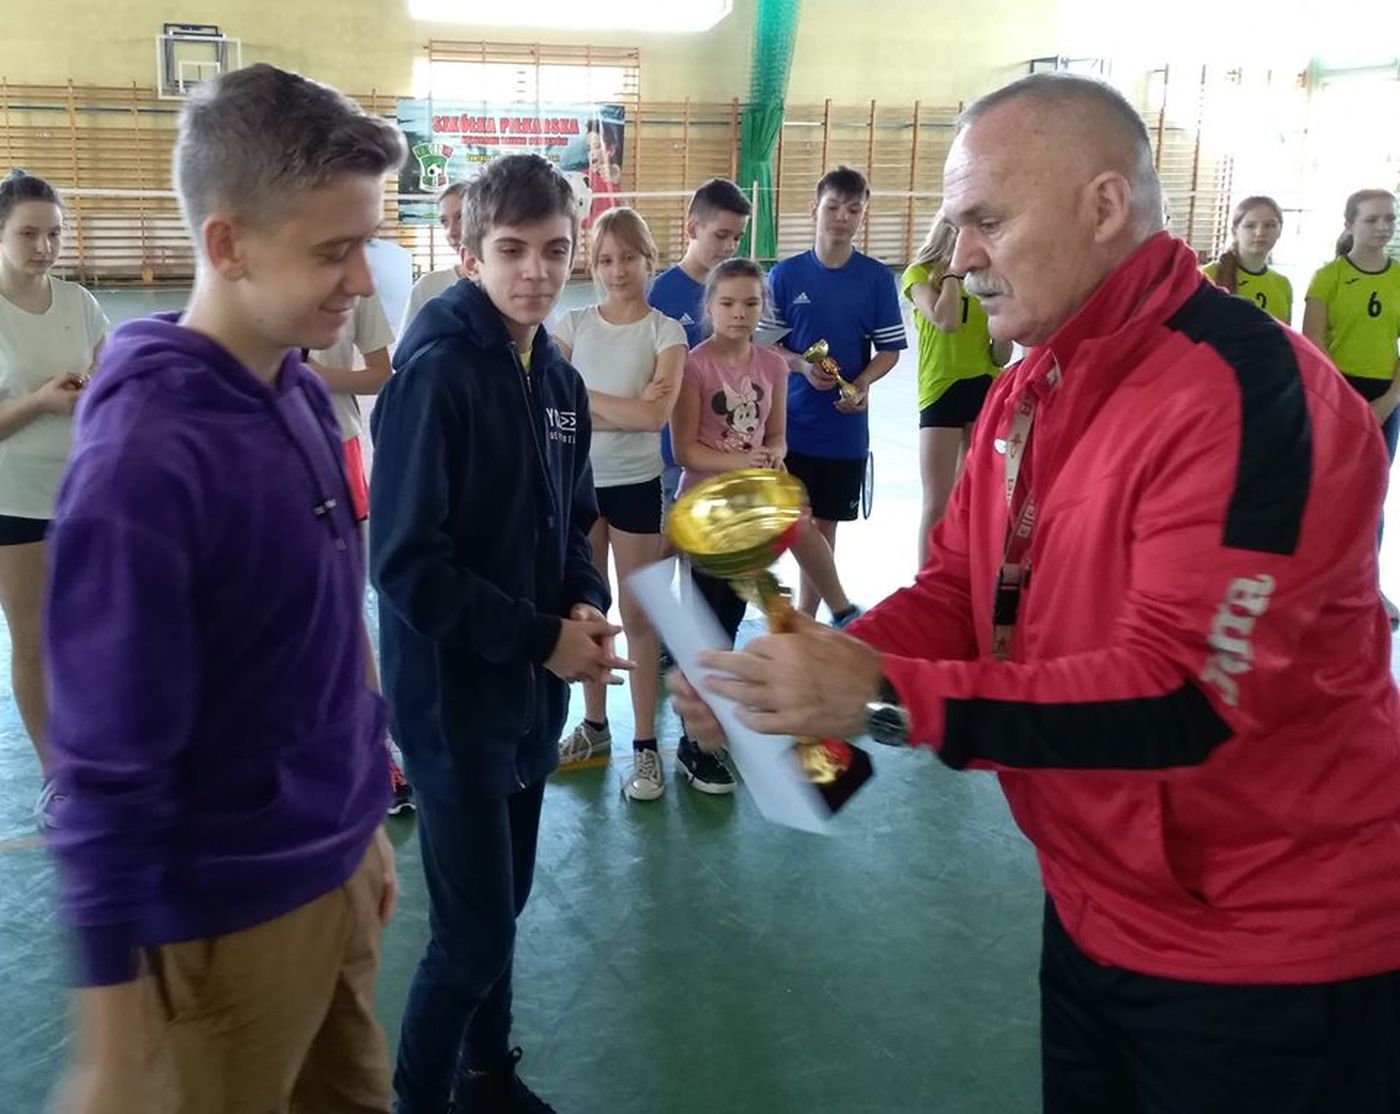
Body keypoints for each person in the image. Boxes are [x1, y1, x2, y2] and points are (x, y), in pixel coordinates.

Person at [673, 73, 1400, 1113]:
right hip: (1092, 909)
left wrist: (877, 695)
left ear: (1102, 206)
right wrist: (799, 674)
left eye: (987, 221)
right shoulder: (1032, 380)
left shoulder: (1246, 393)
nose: (959, 257)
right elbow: (961, 588)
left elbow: (1181, 697)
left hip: (1273, 951)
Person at [44, 64, 404, 1113]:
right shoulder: (143, 462)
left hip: (335, 867)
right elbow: (105, 767)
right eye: (332, 252)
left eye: (367, 245)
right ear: (228, 244)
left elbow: (333, 625)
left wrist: (362, 806)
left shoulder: (297, 386)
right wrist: (112, 1046)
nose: (361, 280)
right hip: (221, 923)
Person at [371, 152, 626, 1114]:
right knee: (471, 935)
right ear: (469, 254)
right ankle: (419, 1100)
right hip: (455, 705)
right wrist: (538, 639)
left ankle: (486, 1077)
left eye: (555, 250)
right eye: (512, 250)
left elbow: (574, 520)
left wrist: (582, 602)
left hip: (529, 696)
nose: (536, 271)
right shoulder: (435, 377)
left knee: (503, 910)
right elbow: (406, 565)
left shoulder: (557, 379)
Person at [671, 257, 859, 794]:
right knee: (709, 628)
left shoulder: (773, 365)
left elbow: (777, 436)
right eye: (727, 303)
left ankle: (842, 611)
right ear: (709, 308)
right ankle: (693, 743)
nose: (739, 313)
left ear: (763, 309)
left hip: (753, 508)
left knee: (731, 623)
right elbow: (687, 452)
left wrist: (772, 456)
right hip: (708, 515)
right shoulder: (695, 366)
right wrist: (744, 462)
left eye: (750, 303)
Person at [552, 207, 686, 800]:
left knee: (639, 615)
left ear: (648, 260)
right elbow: (553, 403)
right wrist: (619, 407)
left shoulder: (666, 332)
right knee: (589, 611)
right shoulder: (572, 323)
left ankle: (646, 745)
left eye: (628, 258)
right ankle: (594, 727)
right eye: (606, 260)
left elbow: (654, 417)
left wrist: (585, 400)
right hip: (579, 484)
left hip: (635, 484)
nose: (617, 270)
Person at [0, 171, 106, 829]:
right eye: (28, 234)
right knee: (34, 640)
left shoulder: (79, 302)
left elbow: (110, 378)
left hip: (84, 493)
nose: (44, 247)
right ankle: (57, 779)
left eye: (55, 234)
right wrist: (40, 401)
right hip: (14, 500)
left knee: (89, 634)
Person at [762, 166, 907, 618]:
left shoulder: (876, 279)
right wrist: (801, 366)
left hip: (843, 431)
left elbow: (889, 350)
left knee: (824, 527)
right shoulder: (785, 276)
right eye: (833, 207)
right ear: (814, 209)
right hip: (789, 426)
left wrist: (860, 383)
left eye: (853, 209)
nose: (842, 217)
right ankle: (773, 604)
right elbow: (766, 346)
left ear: (863, 215)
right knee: (783, 522)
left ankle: (806, 620)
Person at [307, 295, 415, 815]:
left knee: (346, 609)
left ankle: (376, 753)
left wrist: (313, 376)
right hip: (260, 445)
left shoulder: (356, 285)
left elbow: (379, 373)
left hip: (335, 443)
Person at [1302, 189, 1400, 625]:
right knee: (1330, 487)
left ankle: (1367, 587)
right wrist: (1345, 403)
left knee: (1371, 491)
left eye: (1389, 219)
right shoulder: (1329, 277)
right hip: (1336, 393)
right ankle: (1315, 584)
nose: (1382, 227)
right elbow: (1313, 342)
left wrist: (1389, 400)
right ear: (1350, 225)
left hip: (1386, 396)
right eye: (1372, 219)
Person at [901, 214, 1010, 562]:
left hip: (983, 386)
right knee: (937, 499)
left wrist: (1002, 320)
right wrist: (951, 274)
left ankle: (967, 569)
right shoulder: (919, 275)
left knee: (974, 496)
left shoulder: (985, 276)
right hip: (941, 389)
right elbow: (945, 321)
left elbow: (1001, 355)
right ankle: (926, 576)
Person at [648, 178, 753, 506]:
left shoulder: (740, 292)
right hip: (674, 457)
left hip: (729, 450)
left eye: (737, 237)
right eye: (721, 235)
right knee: (671, 537)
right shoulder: (659, 294)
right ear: (692, 228)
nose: (730, 246)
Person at [1202, 195, 1292, 323]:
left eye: (1269, 225)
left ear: (1279, 231)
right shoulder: (1207, 275)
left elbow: (1285, 334)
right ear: (1235, 231)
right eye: (1250, 226)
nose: (1260, 232)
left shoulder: (1282, 284)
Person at [401, 180, 467, 335]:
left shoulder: (506, 286)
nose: (451, 232)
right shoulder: (428, 287)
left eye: (461, 217)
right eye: (444, 221)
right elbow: (406, 349)